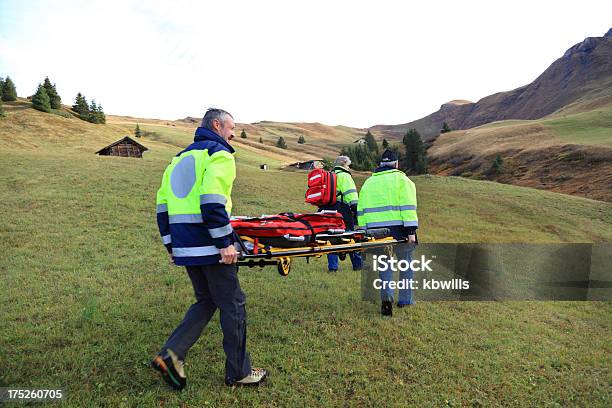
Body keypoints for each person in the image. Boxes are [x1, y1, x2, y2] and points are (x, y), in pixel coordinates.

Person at [151, 108, 267, 390]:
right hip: (211, 246)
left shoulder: (178, 160)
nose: (233, 133)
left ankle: (172, 354)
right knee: (233, 305)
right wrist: (224, 243)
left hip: (186, 247)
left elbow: (162, 207)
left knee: (206, 300)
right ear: (217, 124)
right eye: (231, 127)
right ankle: (239, 373)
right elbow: (212, 201)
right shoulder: (219, 155)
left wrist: (171, 245)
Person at [357, 150, 418, 316]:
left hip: (376, 234)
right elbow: (408, 208)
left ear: (380, 165)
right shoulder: (403, 180)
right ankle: (405, 300)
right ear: (396, 164)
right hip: (400, 232)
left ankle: (387, 299)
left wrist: (364, 232)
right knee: (405, 266)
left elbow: (360, 211)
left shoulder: (368, 183)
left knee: (385, 267)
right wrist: (411, 231)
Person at [322, 156, 363, 272]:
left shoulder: (329, 176)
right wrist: (356, 211)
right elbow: (351, 195)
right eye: (348, 165)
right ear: (344, 164)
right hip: (342, 210)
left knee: (331, 238)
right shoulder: (345, 176)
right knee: (351, 236)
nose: (349, 168)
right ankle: (358, 265)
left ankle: (333, 267)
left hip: (326, 209)